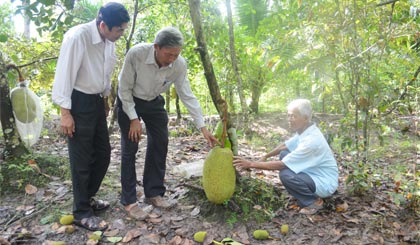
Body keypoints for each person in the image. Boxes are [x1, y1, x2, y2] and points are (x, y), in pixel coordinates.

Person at [117, 26, 218, 220]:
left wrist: (202, 127)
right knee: (130, 147)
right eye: (168, 54)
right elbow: (124, 88)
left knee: (160, 142)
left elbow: (186, 94)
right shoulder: (136, 54)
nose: (172, 59)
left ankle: (154, 192)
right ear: (156, 47)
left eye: (176, 55)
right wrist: (133, 118)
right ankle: (129, 200)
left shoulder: (179, 64)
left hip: (154, 102)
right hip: (130, 100)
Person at [52, 2, 130, 231]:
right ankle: (81, 212)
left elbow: (103, 73)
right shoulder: (79, 37)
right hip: (78, 101)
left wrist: (104, 99)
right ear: (103, 25)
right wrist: (65, 112)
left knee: (103, 154)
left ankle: (88, 198)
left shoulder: (108, 42)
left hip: (96, 102)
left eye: (124, 29)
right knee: (82, 158)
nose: (121, 34)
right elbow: (64, 74)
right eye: (119, 30)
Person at [233, 99, 338, 215]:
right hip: (314, 172)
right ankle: (305, 193)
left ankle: (312, 202)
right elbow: (284, 146)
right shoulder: (305, 131)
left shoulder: (311, 141)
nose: (289, 120)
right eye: (288, 116)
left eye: (294, 116)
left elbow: (281, 165)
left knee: (286, 174)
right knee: (284, 154)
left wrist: (250, 164)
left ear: (306, 118)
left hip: (325, 182)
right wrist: (265, 156)